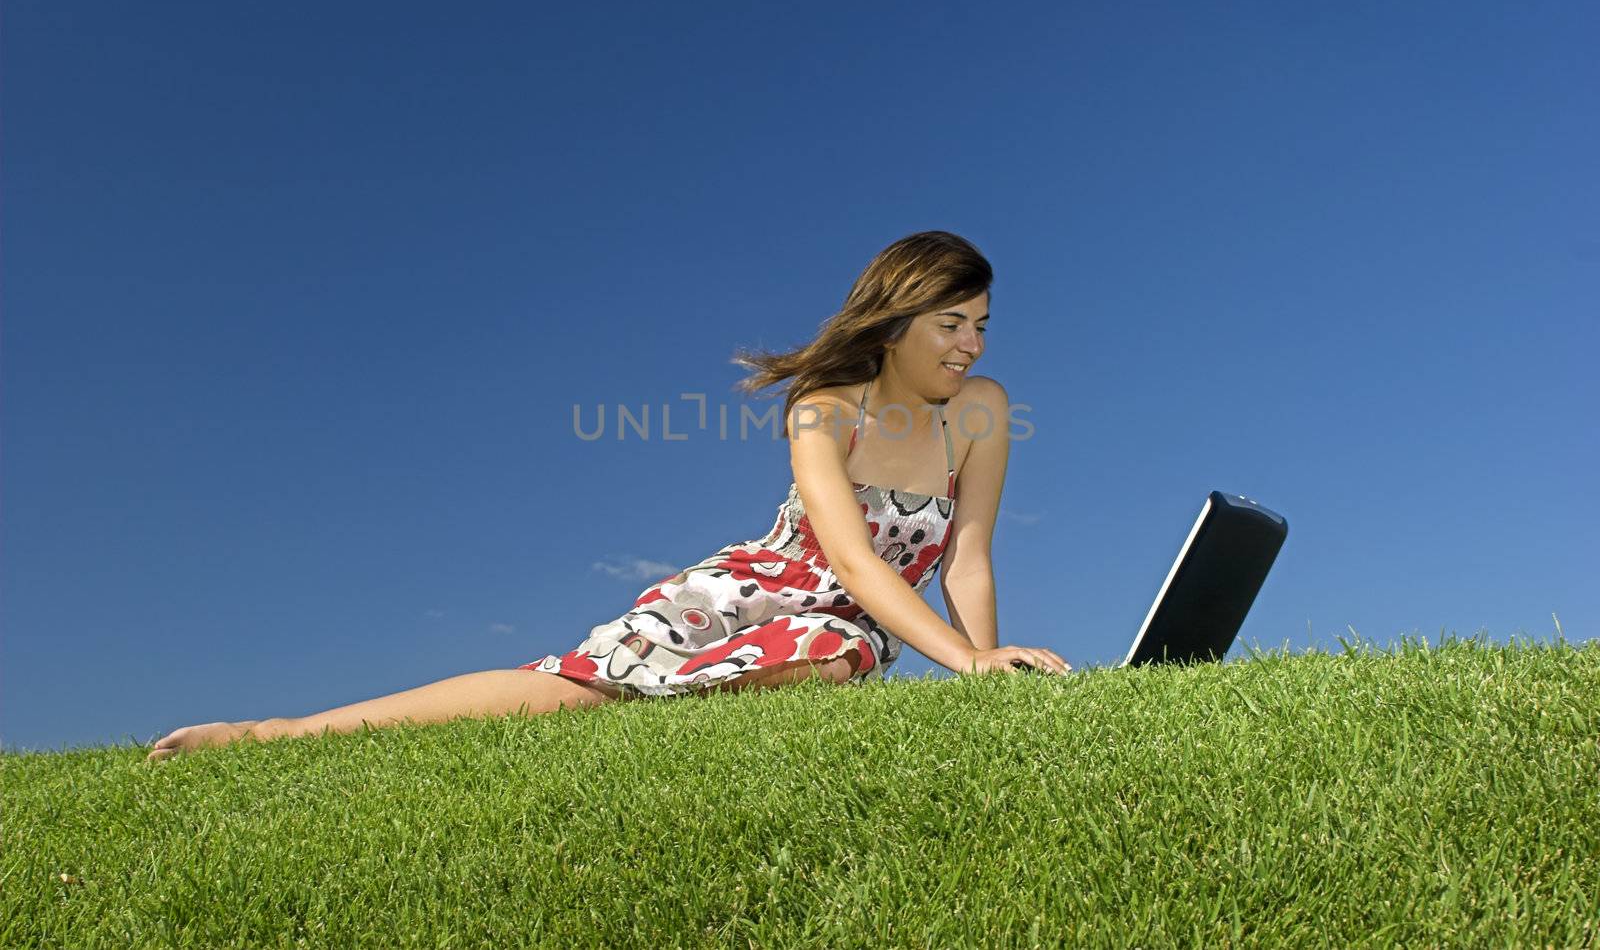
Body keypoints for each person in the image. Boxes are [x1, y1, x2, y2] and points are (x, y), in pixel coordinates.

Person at [145, 230, 1071, 762]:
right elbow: (858, 560)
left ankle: (651, 717)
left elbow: (969, 555)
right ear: (898, 320)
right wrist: (960, 661)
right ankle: (274, 734)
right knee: (567, 688)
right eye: (952, 324)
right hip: (744, 591)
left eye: (981, 325)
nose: (971, 346)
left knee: (831, 655)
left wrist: (978, 675)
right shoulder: (825, 414)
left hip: (845, 626)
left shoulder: (980, 413)